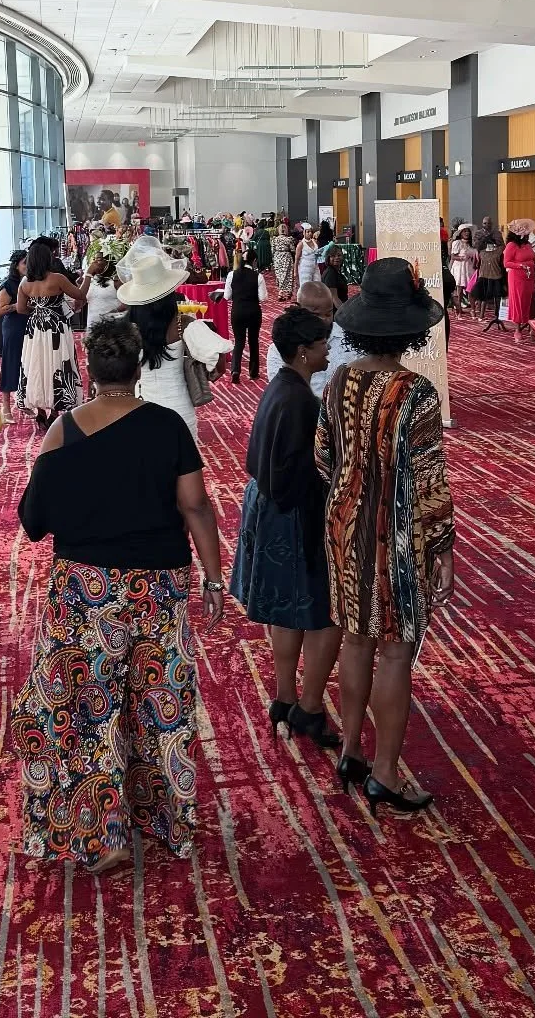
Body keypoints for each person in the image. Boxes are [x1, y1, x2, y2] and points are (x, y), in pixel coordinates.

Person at [13, 317, 226, 874]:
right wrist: (213, 576)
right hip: (157, 588)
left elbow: (32, 520)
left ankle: (101, 831)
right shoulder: (168, 427)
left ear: (90, 366)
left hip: (83, 592)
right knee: (159, 705)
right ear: (138, 369)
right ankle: (168, 822)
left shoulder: (65, 430)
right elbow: (196, 506)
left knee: (87, 709)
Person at [317, 258, 456, 815]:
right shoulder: (415, 392)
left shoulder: (338, 382)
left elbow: (324, 459)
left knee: (354, 638)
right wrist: (443, 544)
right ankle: (385, 772)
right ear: (411, 329)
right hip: (397, 533)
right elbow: (428, 478)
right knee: (396, 653)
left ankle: (350, 750)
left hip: (344, 522)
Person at [232, 306, 341, 748]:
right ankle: (309, 707)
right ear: (302, 351)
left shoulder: (281, 387)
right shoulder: (301, 400)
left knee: (285, 611)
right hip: (294, 514)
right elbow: (300, 473)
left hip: (269, 507)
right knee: (325, 613)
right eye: (321, 346)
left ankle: (284, 697)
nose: (328, 353)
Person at [123, 236, 221, 440]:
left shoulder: (125, 328)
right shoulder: (183, 324)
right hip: (179, 411)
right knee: (184, 468)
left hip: (138, 409)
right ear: (169, 293)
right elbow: (218, 365)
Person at [17, 238, 88, 427]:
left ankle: (39, 410)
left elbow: (21, 309)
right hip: (55, 328)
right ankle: (55, 409)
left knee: (36, 364)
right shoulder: (57, 279)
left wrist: (37, 309)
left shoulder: (24, 283)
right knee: (56, 363)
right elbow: (80, 295)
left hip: (35, 329)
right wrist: (88, 277)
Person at [266, 280, 357, 396]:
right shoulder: (280, 350)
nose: (325, 320)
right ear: (298, 310)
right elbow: (283, 394)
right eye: (316, 315)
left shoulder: (348, 338)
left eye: (329, 314)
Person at [224, 249, 267, 384]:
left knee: (239, 341)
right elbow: (263, 298)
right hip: (253, 312)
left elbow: (227, 296)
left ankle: (235, 370)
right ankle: (253, 372)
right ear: (254, 261)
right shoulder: (258, 276)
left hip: (237, 312)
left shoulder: (232, 275)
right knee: (253, 341)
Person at [0, 248, 28, 422]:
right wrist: (18, 305)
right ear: (16, 265)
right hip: (13, 327)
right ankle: (6, 406)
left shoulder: (30, 281)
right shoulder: (9, 285)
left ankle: (26, 400)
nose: (27, 266)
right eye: (24, 263)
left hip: (28, 326)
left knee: (28, 363)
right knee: (11, 363)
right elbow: (0, 310)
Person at [502, 224, 535, 342]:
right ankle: (518, 330)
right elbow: (506, 263)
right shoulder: (511, 246)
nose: (528, 235)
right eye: (526, 233)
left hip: (530, 277)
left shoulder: (528, 245)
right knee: (519, 301)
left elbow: (532, 257)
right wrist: (520, 265)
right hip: (517, 278)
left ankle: (532, 327)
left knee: (531, 301)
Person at [84, 251, 124, 334]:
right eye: (94, 259)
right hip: (93, 326)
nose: (94, 262)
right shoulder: (90, 280)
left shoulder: (116, 281)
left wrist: (112, 313)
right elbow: (80, 296)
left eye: (98, 259)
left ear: (107, 262)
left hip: (111, 326)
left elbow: (126, 304)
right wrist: (87, 274)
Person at [472, 237, 503, 323]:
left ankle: (497, 316)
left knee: (495, 298)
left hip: (493, 276)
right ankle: (482, 316)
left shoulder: (497, 252)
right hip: (487, 277)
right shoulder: (482, 253)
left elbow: (476, 265)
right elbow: (476, 265)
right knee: (485, 298)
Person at [449, 224, 477, 309]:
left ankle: (473, 309)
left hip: (469, 267)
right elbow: (453, 256)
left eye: (468, 231)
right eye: (465, 231)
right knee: (459, 288)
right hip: (460, 268)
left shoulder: (471, 244)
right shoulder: (457, 243)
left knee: (471, 287)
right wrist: (462, 258)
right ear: (460, 233)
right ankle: (459, 309)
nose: (467, 233)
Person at [272, 221, 296, 299]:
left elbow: (272, 250)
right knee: (288, 274)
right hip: (286, 256)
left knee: (279, 274)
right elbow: (292, 250)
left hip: (277, 257)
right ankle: (288, 292)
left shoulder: (274, 239)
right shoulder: (289, 239)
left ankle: (281, 292)